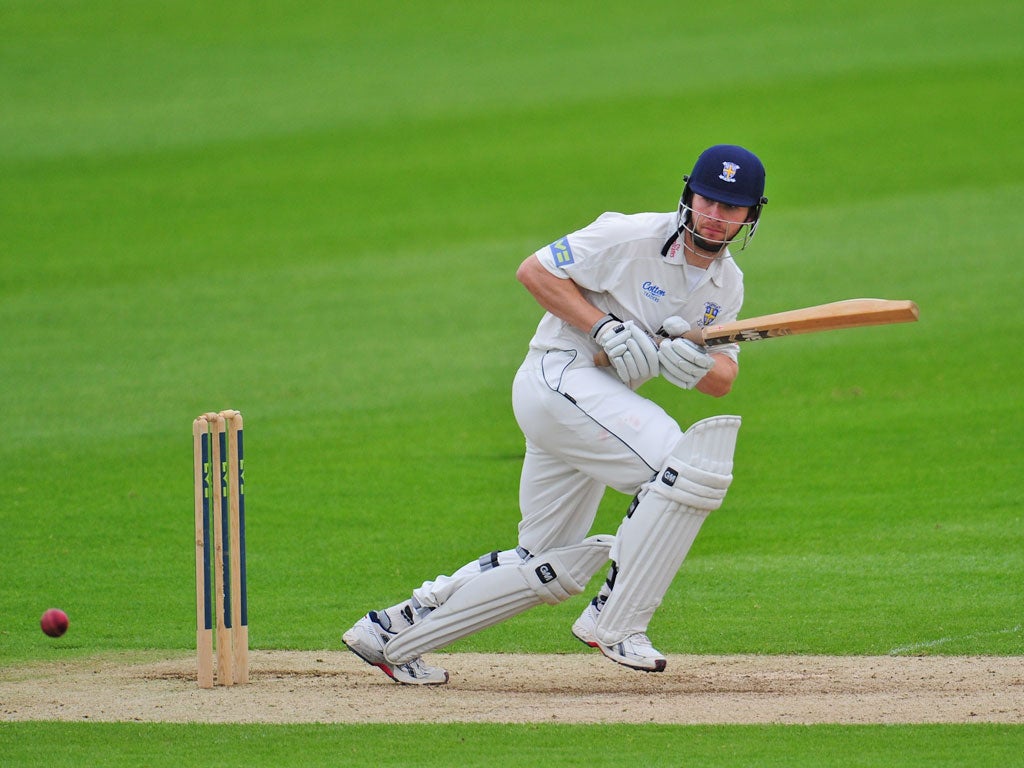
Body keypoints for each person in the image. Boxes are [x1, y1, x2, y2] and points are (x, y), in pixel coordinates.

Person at [342, 144, 768, 684]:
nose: (715, 215)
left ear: (751, 216)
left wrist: (691, 363)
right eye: (707, 200)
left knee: (545, 563)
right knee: (685, 467)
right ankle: (616, 621)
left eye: (731, 207)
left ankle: (391, 631)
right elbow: (535, 271)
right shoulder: (628, 235)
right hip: (559, 376)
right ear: (687, 197)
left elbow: (723, 378)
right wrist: (603, 326)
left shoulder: (726, 284)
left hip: (593, 409)